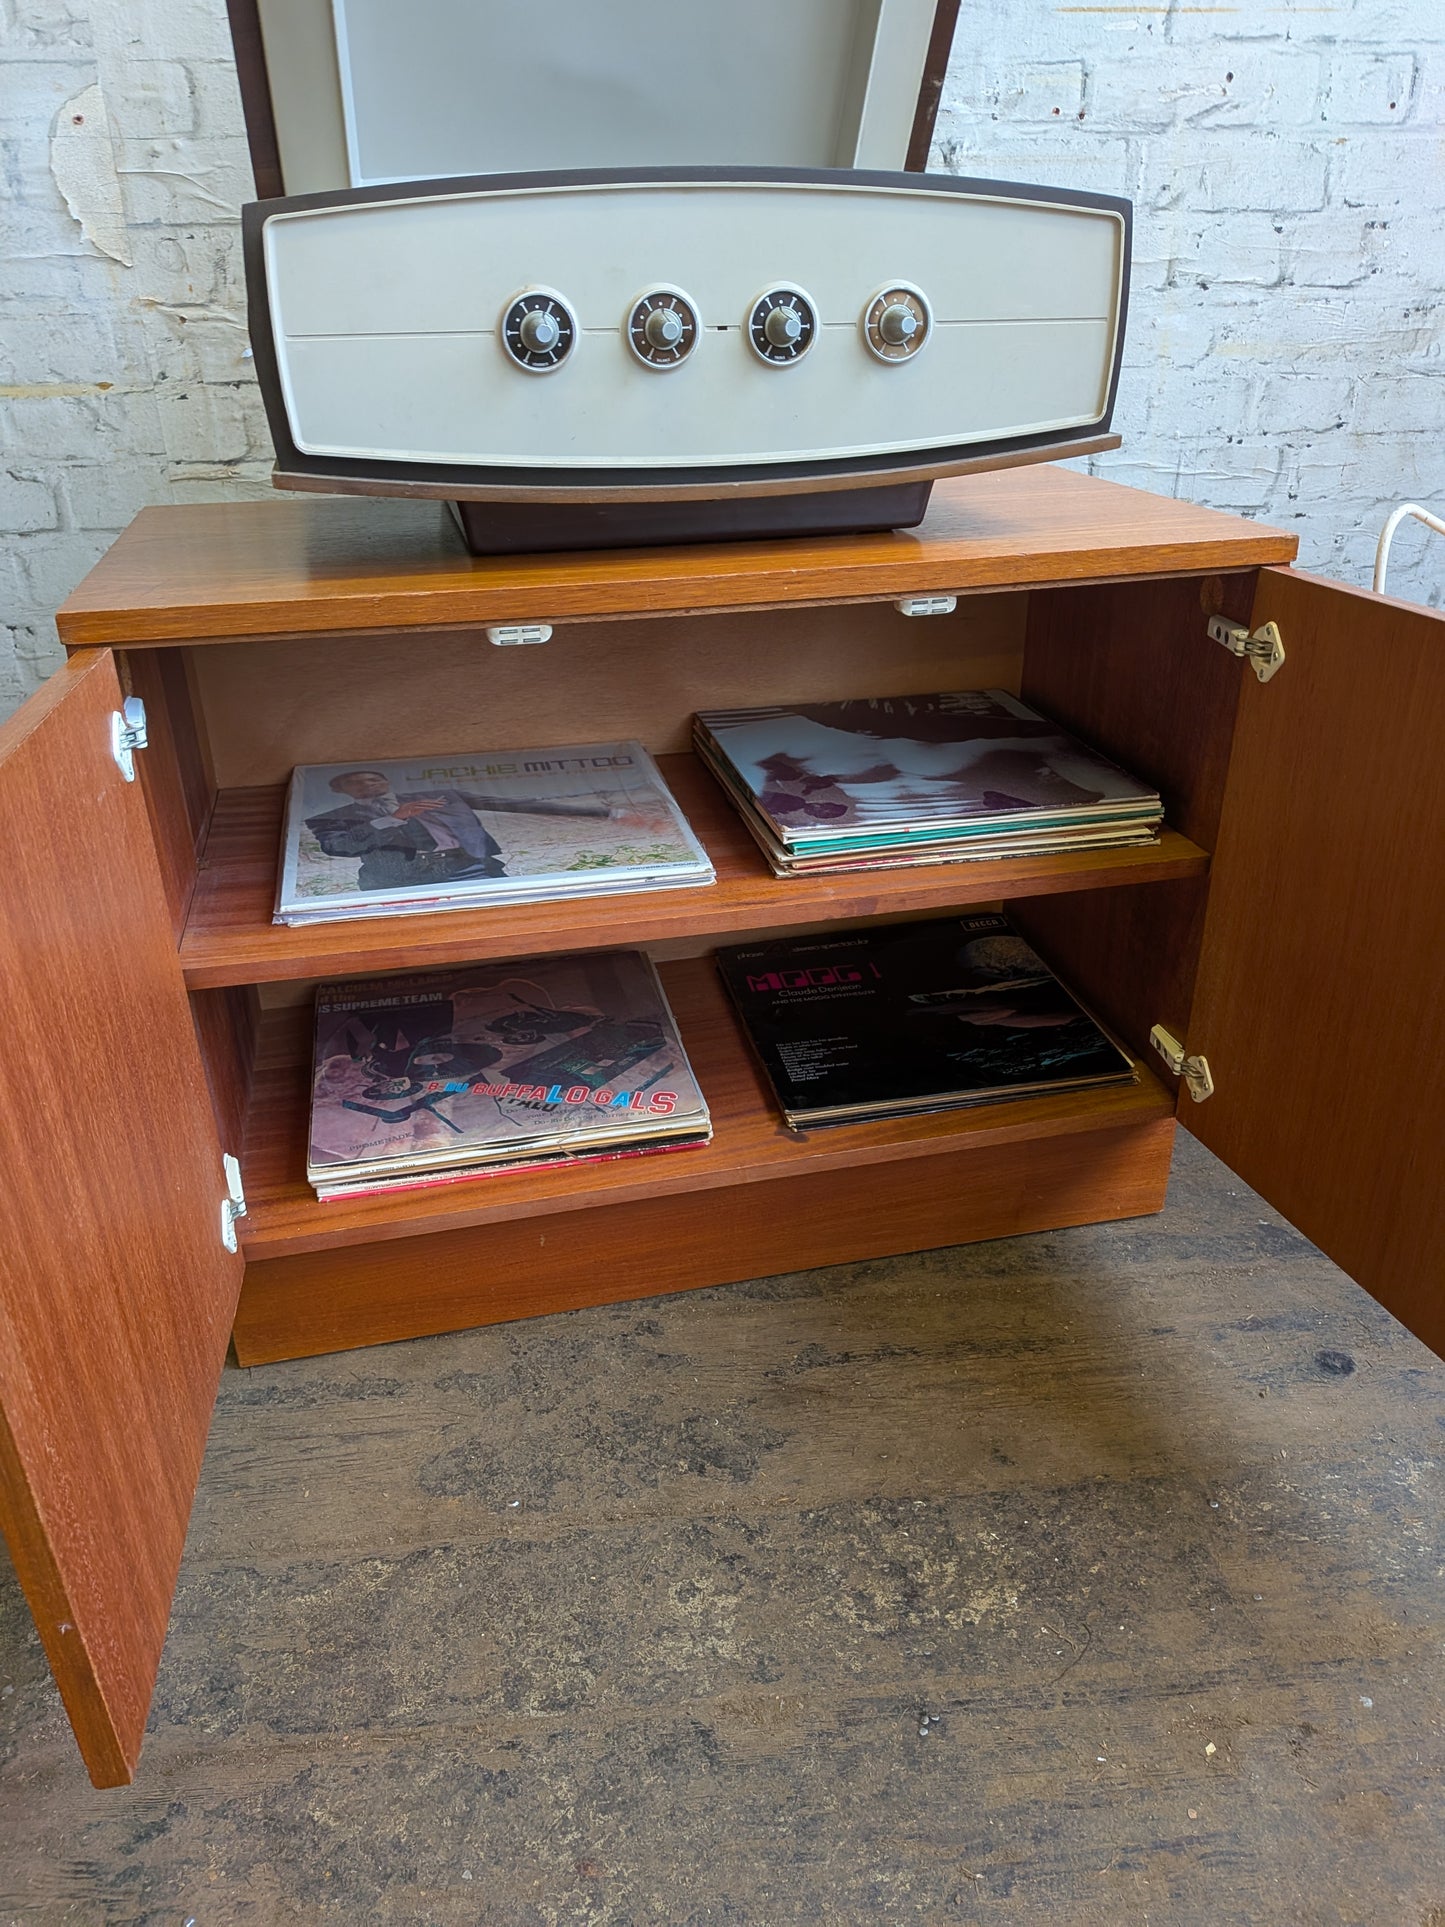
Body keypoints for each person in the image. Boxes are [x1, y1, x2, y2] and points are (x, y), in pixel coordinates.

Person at [305, 768, 652, 893]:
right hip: (398, 881)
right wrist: (393, 818)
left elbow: (518, 804)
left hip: (468, 866)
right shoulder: (332, 817)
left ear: (386, 779)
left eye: (373, 777)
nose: (368, 784)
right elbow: (339, 848)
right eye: (355, 782)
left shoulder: (442, 795)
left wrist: (608, 813)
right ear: (341, 790)